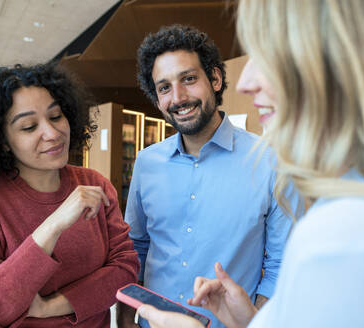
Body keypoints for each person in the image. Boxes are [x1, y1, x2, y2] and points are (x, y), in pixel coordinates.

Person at [137, 0, 364, 327]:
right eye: (164, 88)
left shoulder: (350, 234)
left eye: (268, 54)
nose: (245, 81)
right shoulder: (360, 211)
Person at [117, 25, 303, 328]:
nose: (178, 97)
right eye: (164, 88)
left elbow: (280, 265)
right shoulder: (146, 162)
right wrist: (125, 320)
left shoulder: (270, 161)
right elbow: (136, 248)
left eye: (189, 79)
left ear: (215, 78)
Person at [0, 63, 140, 327]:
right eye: (29, 127)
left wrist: (46, 307)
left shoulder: (94, 184)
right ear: (2, 141)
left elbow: (125, 272)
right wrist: (52, 227)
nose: (53, 133)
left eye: (56, 117)